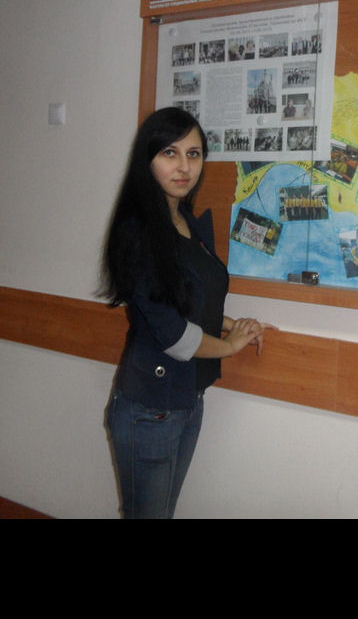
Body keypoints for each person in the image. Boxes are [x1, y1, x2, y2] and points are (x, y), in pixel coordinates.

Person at [99, 107, 273, 518]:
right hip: (150, 408)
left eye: (193, 154)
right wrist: (229, 346)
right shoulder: (138, 232)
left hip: (187, 398)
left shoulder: (184, 220)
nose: (184, 167)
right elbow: (175, 336)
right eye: (170, 153)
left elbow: (189, 296)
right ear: (148, 160)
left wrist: (233, 325)